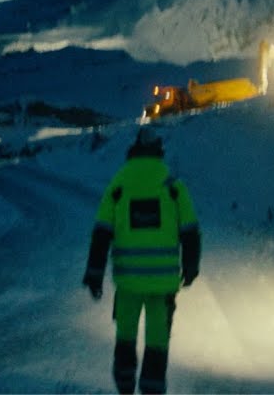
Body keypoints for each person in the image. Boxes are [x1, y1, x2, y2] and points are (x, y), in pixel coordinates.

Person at [82, 126, 201, 394]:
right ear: (159, 150)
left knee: (125, 337)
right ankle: (152, 388)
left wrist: (94, 272)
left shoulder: (119, 183)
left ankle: (124, 386)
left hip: (128, 283)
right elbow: (190, 230)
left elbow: (102, 232)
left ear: (134, 149)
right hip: (163, 285)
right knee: (157, 342)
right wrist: (191, 265)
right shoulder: (172, 184)